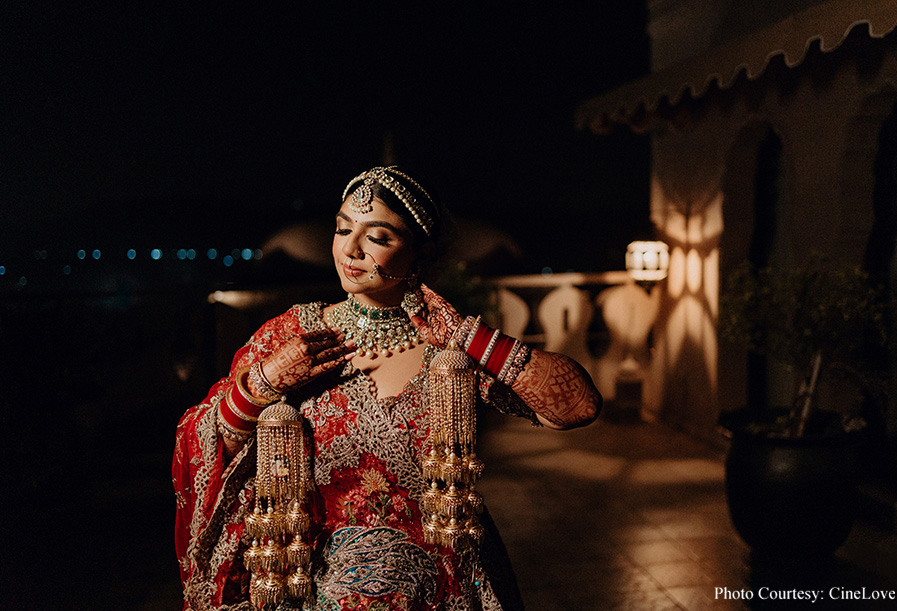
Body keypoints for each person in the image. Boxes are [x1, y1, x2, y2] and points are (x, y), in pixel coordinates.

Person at [173, 166, 601, 610]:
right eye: (343, 229)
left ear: (421, 253)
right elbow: (206, 445)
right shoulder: (293, 335)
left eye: (377, 237)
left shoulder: (448, 348)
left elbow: (579, 407)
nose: (350, 250)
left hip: (447, 580)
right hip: (318, 586)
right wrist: (261, 385)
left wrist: (475, 341)